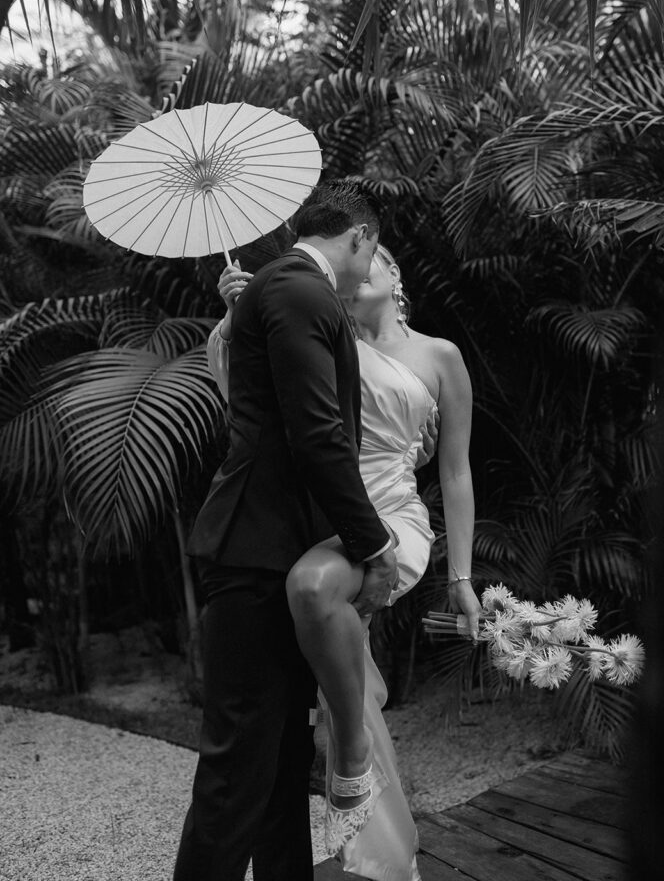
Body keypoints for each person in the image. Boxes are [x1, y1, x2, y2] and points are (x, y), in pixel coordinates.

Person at [214, 242, 482, 879]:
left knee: (313, 591)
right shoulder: (324, 340)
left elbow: (457, 472)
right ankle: (381, 855)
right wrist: (236, 317)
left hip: (393, 516)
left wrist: (463, 579)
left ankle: (349, 756)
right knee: (332, 649)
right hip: (324, 520)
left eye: (376, 257)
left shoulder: (439, 355)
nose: (358, 270)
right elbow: (251, 403)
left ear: (392, 273)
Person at [173, 179, 400, 881]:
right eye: (375, 248)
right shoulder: (301, 291)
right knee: (238, 766)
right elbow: (318, 436)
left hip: (277, 550)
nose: (374, 263)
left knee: (279, 764)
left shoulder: (277, 291)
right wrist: (373, 543)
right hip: (253, 553)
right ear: (358, 237)